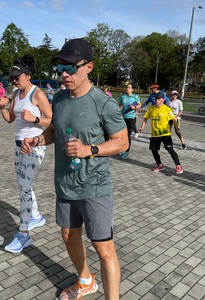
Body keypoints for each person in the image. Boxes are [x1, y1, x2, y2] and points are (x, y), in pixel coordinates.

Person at [22, 38, 128, 300]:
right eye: (61, 68)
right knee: (69, 235)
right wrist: (37, 139)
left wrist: (89, 149)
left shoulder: (102, 103)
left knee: (104, 249)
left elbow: (122, 142)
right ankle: (86, 281)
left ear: (89, 67)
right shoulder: (58, 98)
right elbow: (54, 131)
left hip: (94, 186)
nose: (64, 74)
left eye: (71, 68)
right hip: (65, 183)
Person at [0, 54, 52, 253]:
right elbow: (10, 119)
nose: (13, 80)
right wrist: (2, 107)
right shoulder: (15, 94)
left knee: (23, 185)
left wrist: (34, 119)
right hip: (18, 144)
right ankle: (36, 216)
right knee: (24, 184)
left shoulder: (36, 94)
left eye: (17, 77)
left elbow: (51, 119)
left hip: (35, 145)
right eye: (12, 77)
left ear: (28, 75)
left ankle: (23, 234)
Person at [139, 92, 183, 174]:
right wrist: (142, 127)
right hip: (155, 134)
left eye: (158, 99)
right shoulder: (151, 108)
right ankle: (159, 165)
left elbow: (174, 119)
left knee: (170, 149)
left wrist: (176, 129)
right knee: (154, 150)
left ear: (162, 100)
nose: (156, 100)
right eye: (155, 98)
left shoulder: (167, 109)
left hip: (165, 134)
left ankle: (178, 166)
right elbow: (145, 118)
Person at [119, 83, 141, 159]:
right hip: (123, 117)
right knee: (122, 135)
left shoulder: (135, 97)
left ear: (132, 89)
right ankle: (122, 149)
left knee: (127, 135)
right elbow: (120, 106)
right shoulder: (122, 96)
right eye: (127, 87)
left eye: (129, 87)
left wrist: (134, 107)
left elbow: (139, 105)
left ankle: (127, 151)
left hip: (131, 118)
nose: (127, 88)